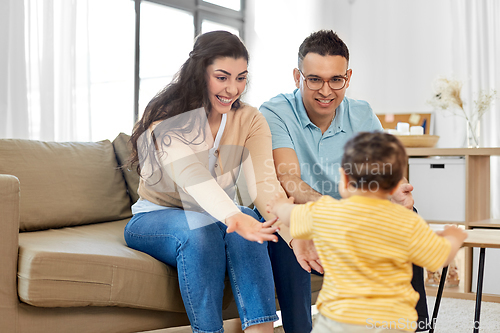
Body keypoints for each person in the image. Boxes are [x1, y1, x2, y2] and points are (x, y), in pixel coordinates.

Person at [259, 30, 426, 332]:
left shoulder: (360, 113)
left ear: (348, 77)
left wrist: (397, 191)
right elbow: (287, 178)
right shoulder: (275, 112)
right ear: (298, 76)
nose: (326, 91)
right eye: (315, 80)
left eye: (336, 80)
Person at [125, 30, 287, 333]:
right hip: (153, 217)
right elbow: (191, 177)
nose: (233, 88)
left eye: (241, 78)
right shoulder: (165, 117)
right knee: (204, 231)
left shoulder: (250, 120)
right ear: (200, 73)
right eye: (222, 77)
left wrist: (296, 231)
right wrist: (233, 216)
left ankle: (260, 330)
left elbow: (265, 185)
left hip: (212, 215)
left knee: (249, 220)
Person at [266, 132, 468, 333]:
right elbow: (439, 256)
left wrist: (279, 205)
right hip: (391, 322)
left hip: (337, 320)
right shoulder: (407, 222)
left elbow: (291, 216)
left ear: (344, 180)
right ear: (395, 186)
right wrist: (454, 237)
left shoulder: (327, 211)